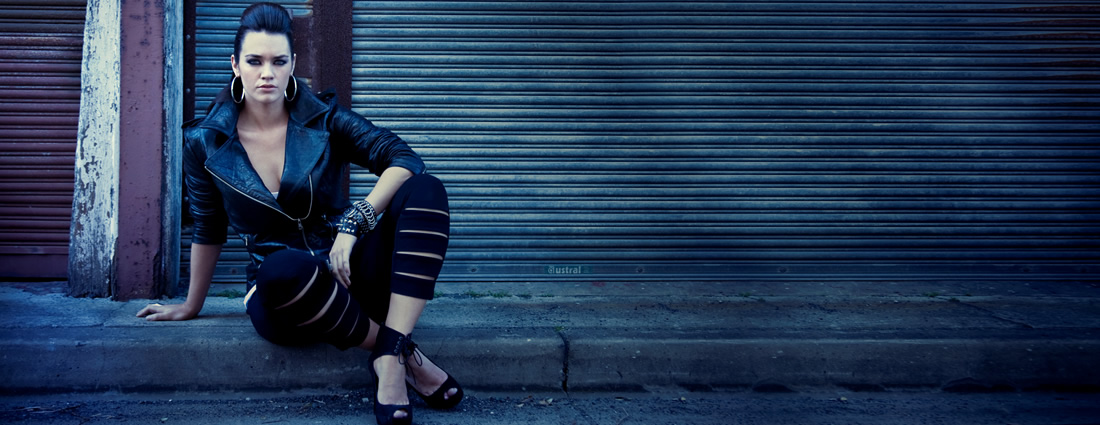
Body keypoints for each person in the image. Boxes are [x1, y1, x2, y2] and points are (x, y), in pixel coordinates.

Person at [136, 3, 461, 424]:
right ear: (235, 65)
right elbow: (209, 225)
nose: (266, 73)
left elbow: (404, 158)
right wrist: (190, 304)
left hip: (350, 271)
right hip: (284, 294)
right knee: (281, 267)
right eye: (254, 61)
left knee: (426, 189)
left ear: (293, 64)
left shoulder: (324, 121)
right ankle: (395, 349)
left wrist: (354, 222)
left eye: (278, 61)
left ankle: (390, 355)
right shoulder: (204, 142)